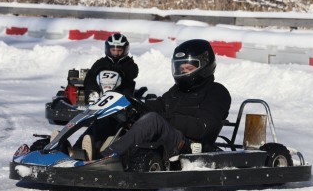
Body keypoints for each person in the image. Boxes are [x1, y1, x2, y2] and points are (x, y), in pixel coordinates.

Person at [80, 39, 231, 161]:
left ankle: (104, 157)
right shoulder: (177, 91)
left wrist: (164, 119)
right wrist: (131, 106)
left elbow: (202, 128)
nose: (183, 72)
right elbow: (156, 106)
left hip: (190, 145)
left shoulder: (217, 92)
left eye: (189, 69)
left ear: (205, 65)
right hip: (168, 137)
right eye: (181, 69)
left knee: (152, 119)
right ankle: (75, 151)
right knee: (115, 112)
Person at [84, 33, 139, 104]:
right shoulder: (101, 62)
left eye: (119, 50)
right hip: (99, 93)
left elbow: (133, 72)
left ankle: (123, 105)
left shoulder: (129, 63)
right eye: (113, 50)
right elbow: (90, 76)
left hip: (120, 93)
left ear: (125, 50)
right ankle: (92, 99)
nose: (116, 53)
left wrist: (122, 71)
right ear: (108, 49)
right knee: (90, 78)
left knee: (128, 84)